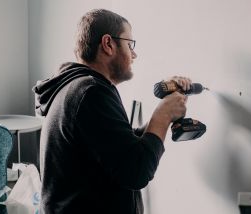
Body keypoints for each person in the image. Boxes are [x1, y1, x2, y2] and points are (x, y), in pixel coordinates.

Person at [33, 8, 191, 214]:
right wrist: (162, 116)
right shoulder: (91, 92)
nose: (134, 54)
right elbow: (137, 171)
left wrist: (162, 114)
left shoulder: (76, 87)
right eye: (129, 44)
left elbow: (115, 148)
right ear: (108, 44)